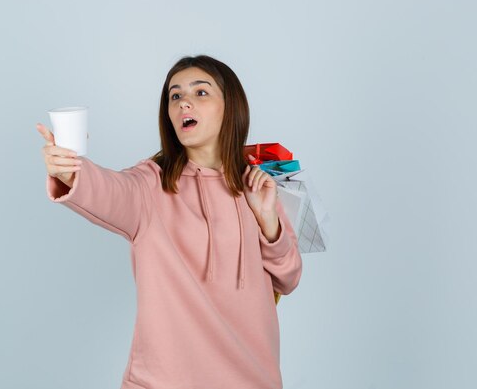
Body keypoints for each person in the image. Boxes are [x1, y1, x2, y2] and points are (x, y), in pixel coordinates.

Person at [36, 55, 302, 389]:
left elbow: (289, 278)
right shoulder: (150, 185)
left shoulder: (256, 185)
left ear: (230, 107)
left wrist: (268, 222)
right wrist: (69, 171)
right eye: (174, 96)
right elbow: (108, 190)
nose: (183, 102)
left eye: (200, 93)